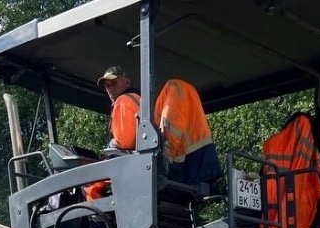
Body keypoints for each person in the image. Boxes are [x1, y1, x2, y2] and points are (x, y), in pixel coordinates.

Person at [84, 66, 142, 201]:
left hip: (130, 167)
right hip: (138, 165)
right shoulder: (138, 99)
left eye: (114, 83)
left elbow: (125, 142)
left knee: (90, 188)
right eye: (107, 86)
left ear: (126, 82)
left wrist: (111, 145)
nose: (110, 88)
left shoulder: (123, 101)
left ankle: (97, 220)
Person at [154, 78, 221, 187]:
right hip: (204, 154)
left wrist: (166, 163)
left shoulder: (173, 90)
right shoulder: (187, 91)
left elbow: (172, 130)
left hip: (190, 159)